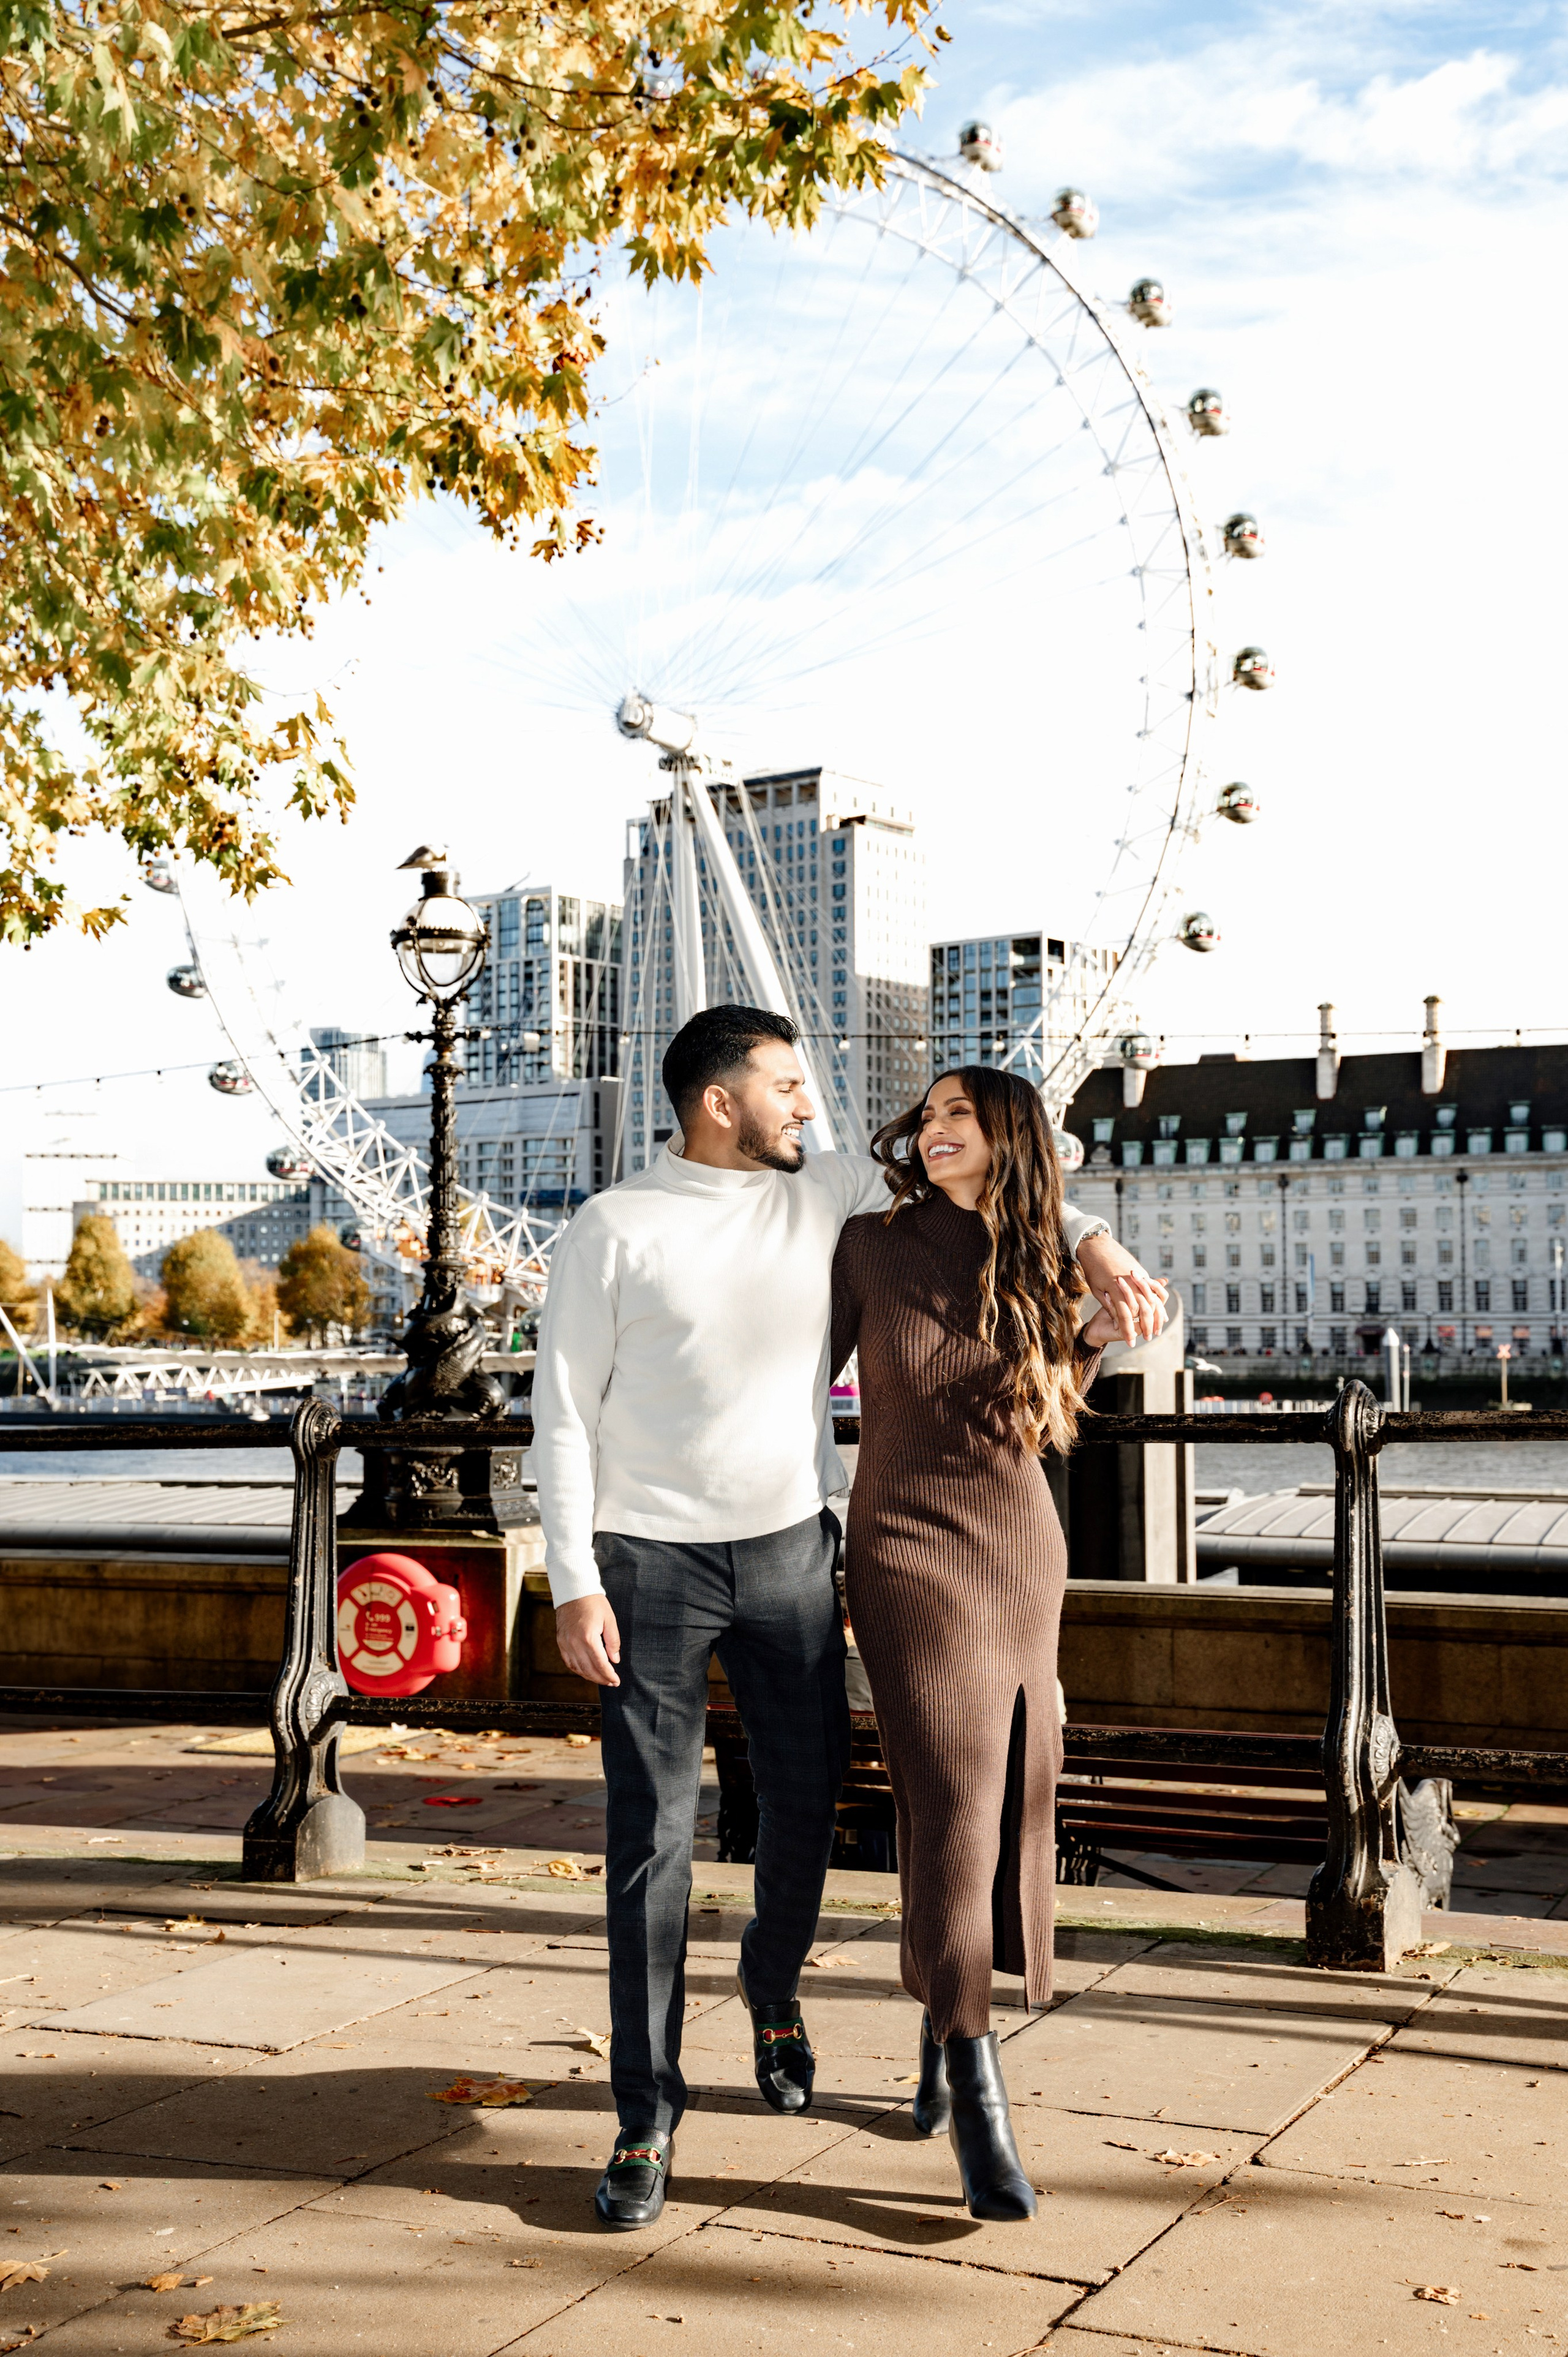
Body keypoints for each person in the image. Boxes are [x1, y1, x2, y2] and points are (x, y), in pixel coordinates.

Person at [530, 1006, 1165, 2231]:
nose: (813, 1107)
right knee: (653, 1841)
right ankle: (645, 2115)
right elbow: (558, 1413)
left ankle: (777, 1989)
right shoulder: (613, 1231)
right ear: (722, 1100)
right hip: (653, 1562)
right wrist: (572, 1577)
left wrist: (1092, 1248)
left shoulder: (819, 1196)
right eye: (785, 1085)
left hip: (790, 1550)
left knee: (811, 1813)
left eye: (808, 1088)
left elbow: (1013, 1196)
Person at [829, 1065, 1119, 2222]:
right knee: (952, 1791)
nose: (937, 1128)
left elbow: (1054, 1406)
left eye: (963, 1115)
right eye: (931, 1113)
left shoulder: (1045, 1255)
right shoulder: (866, 1245)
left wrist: (1101, 1289)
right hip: (902, 1543)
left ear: (1010, 1140)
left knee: (1009, 1794)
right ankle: (979, 2089)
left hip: (1018, 1547)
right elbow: (792, 1386)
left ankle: (941, 2014)